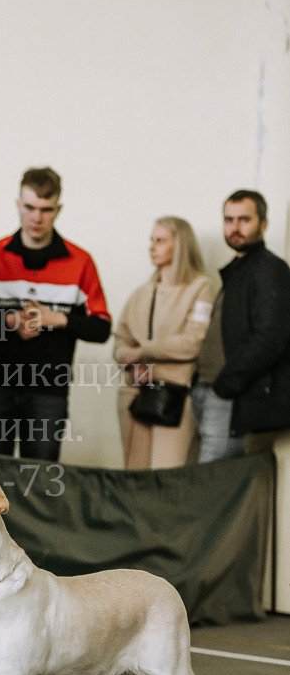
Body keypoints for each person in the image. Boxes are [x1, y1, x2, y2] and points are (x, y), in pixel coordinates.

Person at [0, 166, 111, 459]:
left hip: (49, 392)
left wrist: (57, 319)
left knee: (41, 483)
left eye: (46, 209)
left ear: (58, 209)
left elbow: (101, 328)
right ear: (18, 206)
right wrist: (8, 320)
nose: (37, 217)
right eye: (30, 207)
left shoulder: (81, 261)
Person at [192, 190, 290, 461]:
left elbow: (270, 338)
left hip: (231, 395)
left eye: (244, 219)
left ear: (264, 224)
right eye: (228, 220)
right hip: (209, 389)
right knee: (208, 480)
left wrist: (224, 386)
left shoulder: (270, 269)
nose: (234, 227)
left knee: (213, 482)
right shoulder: (238, 269)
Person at [114, 218, 212, 469]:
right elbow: (120, 340)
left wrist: (143, 352)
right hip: (134, 393)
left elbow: (193, 342)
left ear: (179, 245)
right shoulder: (141, 293)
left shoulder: (200, 287)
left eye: (160, 241)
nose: (152, 247)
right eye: (151, 240)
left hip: (173, 395)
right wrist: (130, 359)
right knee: (134, 474)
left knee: (166, 474)